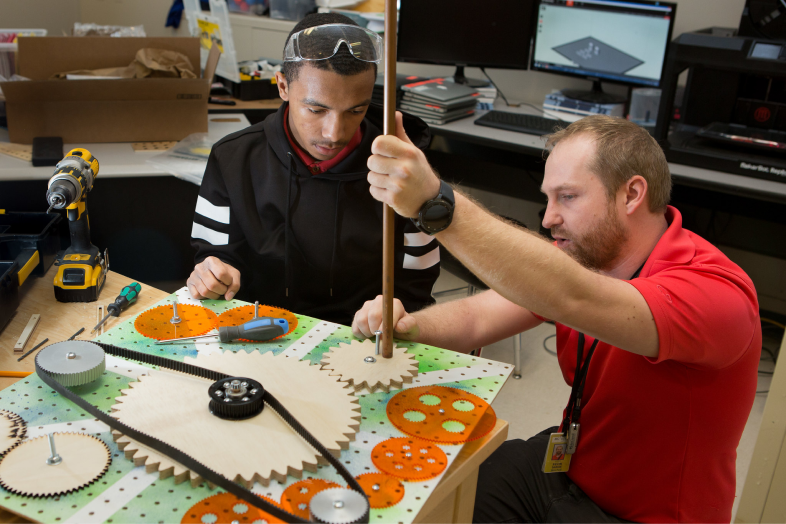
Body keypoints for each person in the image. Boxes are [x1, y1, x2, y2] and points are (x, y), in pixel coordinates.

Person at [352, 115, 761, 523]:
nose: (548, 218)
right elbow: (479, 316)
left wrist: (435, 204)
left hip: (640, 516)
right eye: (548, 199)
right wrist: (407, 327)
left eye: (567, 197)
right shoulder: (590, 259)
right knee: (437, 497)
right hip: (568, 471)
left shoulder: (717, 294)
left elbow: (574, 296)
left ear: (632, 194)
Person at [187, 13, 440, 325]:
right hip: (257, 331)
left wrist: (397, 307)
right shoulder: (232, 158)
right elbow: (213, 254)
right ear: (282, 86)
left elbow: (417, 285)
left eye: (355, 110)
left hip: (359, 339)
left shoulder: (404, 171)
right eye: (316, 109)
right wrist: (213, 272)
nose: (334, 133)